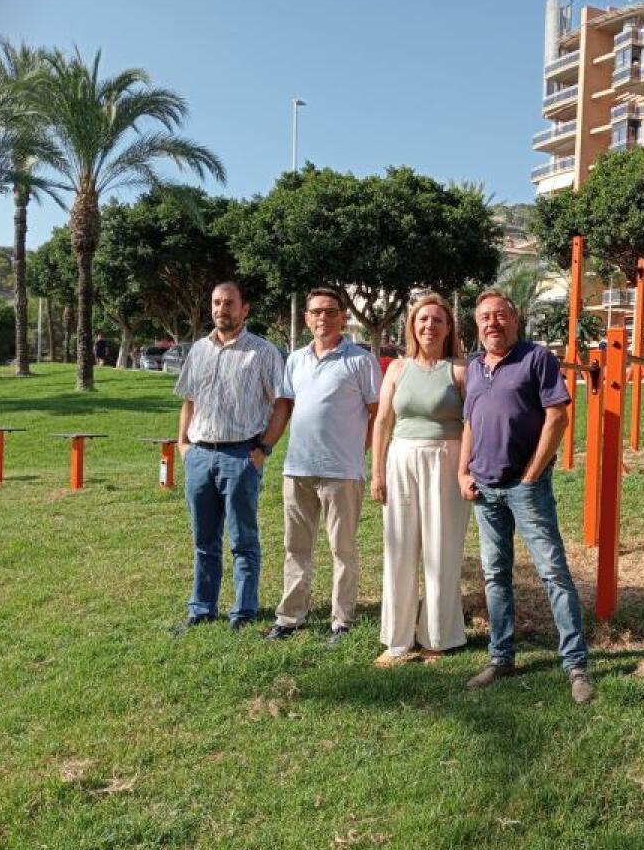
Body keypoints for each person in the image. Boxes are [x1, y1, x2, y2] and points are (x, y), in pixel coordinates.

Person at [459, 290, 594, 704]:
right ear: (477, 325)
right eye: (485, 317)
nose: (492, 323)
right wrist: (462, 470)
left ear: (515, 321)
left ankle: (575, 664)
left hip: (525, 487)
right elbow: (470, 424)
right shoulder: (474, 367)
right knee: (496, 575)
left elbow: (558, 416)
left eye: (500, 315)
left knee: (552, 571)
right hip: (485, 489)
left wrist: (533, 472)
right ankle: (501, 657)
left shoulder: (537, 359)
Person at [266, 288, 382, 645]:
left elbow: (378, 416)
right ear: (306, 319)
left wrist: (356, 452)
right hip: (298, 469)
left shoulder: (360, 361)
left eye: (330, 312)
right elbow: (285, 407)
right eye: (316, 312)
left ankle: (341, 620)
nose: (323, 318)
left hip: (342, 472)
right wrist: (264, 446)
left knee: (342, 549)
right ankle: (290, 617)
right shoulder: (296, 360)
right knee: (296, 547)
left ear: (342, 317)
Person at [173, 281, 287, 633]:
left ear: (244, 309)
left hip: (241, 456)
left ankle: (243, 611)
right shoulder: (199, 351)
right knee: (204, 541)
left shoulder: (263, 352)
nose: (222, 309)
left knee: (242, 541)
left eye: (229, 303)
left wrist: (263, 449)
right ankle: (202, 608)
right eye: (217, 303)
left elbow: (283, 403)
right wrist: (183, 445)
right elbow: (189, 400)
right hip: (200, 456)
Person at [370, 294, 469, 668]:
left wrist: (466, 469)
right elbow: (382, 422)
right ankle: (397, 641)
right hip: (401, 460)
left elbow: (473, 423)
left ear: (448, 328)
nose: (429, 326)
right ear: (412, 325)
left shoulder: (460, 370)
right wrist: (377, 472)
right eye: (423, 319)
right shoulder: (396, 369)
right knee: (400, 550)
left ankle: (438, 638)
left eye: (438, 320)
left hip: (445, 460)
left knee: (441, 549)